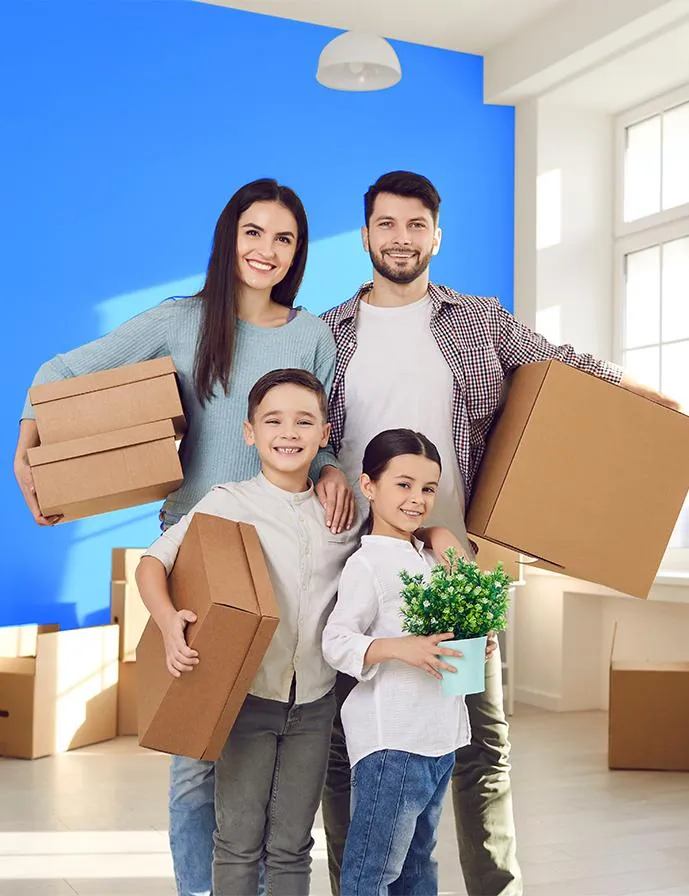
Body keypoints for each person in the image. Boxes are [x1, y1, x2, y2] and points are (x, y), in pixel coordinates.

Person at [319, 170, 680, 896]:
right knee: (348, 747)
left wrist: (658, 402)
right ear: (365, 235)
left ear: (435, 236)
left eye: (415, 225)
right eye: (386, 224)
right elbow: (302, 430)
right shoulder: (327, 333)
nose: (400, 238)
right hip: (355, 565)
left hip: (454, 576)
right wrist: (328, 465)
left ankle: (497, 889)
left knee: (477, 746)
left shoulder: (477, 319)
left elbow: (564, 366)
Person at [13, 178, 354, 896]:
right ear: (229, 237)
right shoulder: (179, 322)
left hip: (285, 554)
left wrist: (328, 472)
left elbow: (317, 435)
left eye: (284, 238)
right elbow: (62, 371)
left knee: (273, 758)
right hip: (198, 552)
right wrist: (27, 448)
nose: (267, 250)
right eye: (253, 232)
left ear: (297, 253)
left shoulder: (312, 333)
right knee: (196, 759)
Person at [137, 368, 359, 896]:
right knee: (237, 840)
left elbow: (401, 550)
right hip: (248, 698)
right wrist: (170, 624)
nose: (289, 432)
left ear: (325, 435)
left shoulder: (346, 514)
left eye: (304, 422)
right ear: (249, 432)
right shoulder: (228, 502)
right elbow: (153, 563)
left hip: (316, 701)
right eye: (273, 421)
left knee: (292, 845)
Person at [322, 428, 472, 896]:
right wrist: (397, 647)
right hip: (393, 742)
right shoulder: (366, 564)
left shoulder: (428, 556)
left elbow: (453, 626)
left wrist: (473, 644)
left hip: (439, 736)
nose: (417, 499)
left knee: (418, 866)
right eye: (403, 484)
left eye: (428, 488)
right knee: (373, 873)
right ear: (368, 486)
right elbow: (335, 639)